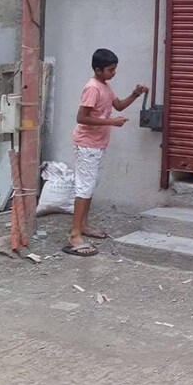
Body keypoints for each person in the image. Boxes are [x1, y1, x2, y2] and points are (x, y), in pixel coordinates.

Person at [63, 48, 148, 257]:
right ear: (98, 69)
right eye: (110, 70)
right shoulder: (92, 88)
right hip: (87, 144)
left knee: (89, 186)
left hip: (96, 144)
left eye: (115, 69)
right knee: (84, 188)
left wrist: (135, 94)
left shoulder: (105, 86)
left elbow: (118, 106)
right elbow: (81, 117)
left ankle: (83, 226)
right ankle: (74, 234)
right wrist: (111, 122)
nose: (114, 73)